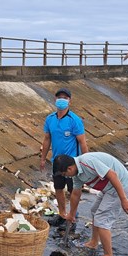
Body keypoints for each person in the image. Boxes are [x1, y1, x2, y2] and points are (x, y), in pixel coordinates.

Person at [53, 152, 128, 256]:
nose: (66, 177)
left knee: (102, 219)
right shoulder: (77, 174)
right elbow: (76, 194)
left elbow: (112, 175)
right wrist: (71, 214)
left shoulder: (87, 162)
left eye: (65, 174)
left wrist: (124, 199)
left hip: (121, 187)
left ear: (70, 168)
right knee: (94, 211)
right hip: (108, 189)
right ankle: (94, 242)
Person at [40, 88, 88, 228]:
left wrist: (85, 162)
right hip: (57, 161)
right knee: (59, 188)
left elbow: (82, 142)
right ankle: (62, 214)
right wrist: (43, 158)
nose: (62, 100)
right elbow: (47, 139)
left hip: (73, 163)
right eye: (59, 97)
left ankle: (72, 216)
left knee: (74, 190)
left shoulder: (75, 120)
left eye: (65, 97)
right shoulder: (50, 119)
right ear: (55, 100)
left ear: (69, 101)